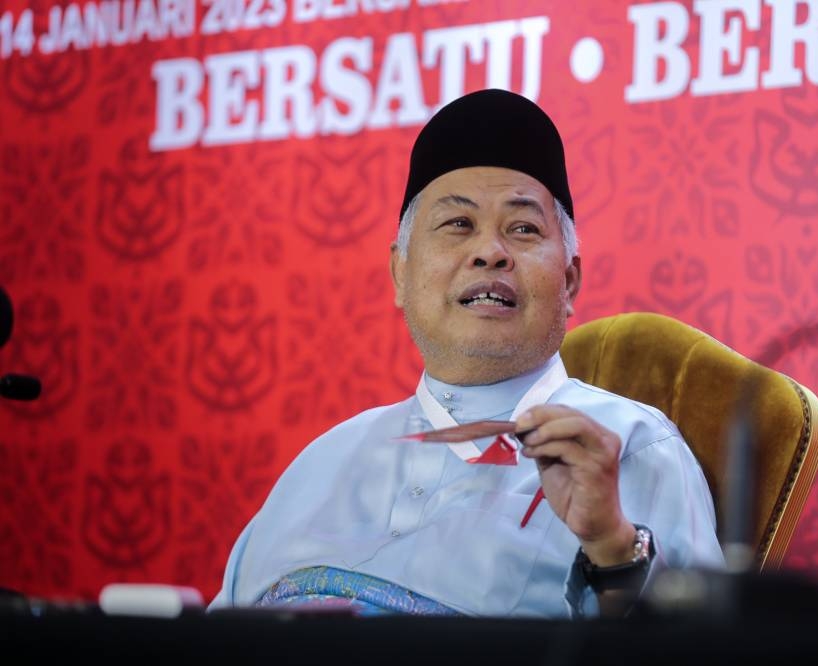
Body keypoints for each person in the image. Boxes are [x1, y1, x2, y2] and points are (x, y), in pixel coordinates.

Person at [208, 89, 724, 618]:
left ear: (568, 282)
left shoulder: (632, 448)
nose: (489, 251)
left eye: (522, 229)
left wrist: (613, 548)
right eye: (458, 224)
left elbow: (696, 649)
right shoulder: (321, 463)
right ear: (401, 275)